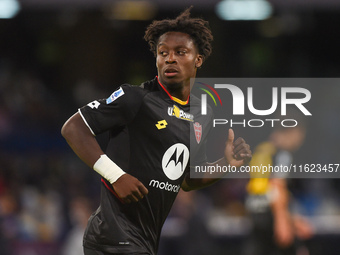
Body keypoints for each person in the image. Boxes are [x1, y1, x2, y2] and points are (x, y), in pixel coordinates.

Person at [61, 7, 252, 255]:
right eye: (163, 53)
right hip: (112, 236)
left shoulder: (201, 115)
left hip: (144, 240)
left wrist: (225, 163)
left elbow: (186, 179)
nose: (169, 58)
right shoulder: (136, 98)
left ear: (198, 59)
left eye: (180, 52)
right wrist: (115, 175)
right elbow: (73, 127)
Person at [242, 114, 314, 255]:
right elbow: (277, 185)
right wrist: (282, 221)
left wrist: (293, 220)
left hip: (257, 216)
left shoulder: (262, 149)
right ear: (293, 130)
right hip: (271, 217)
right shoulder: (283, 155)